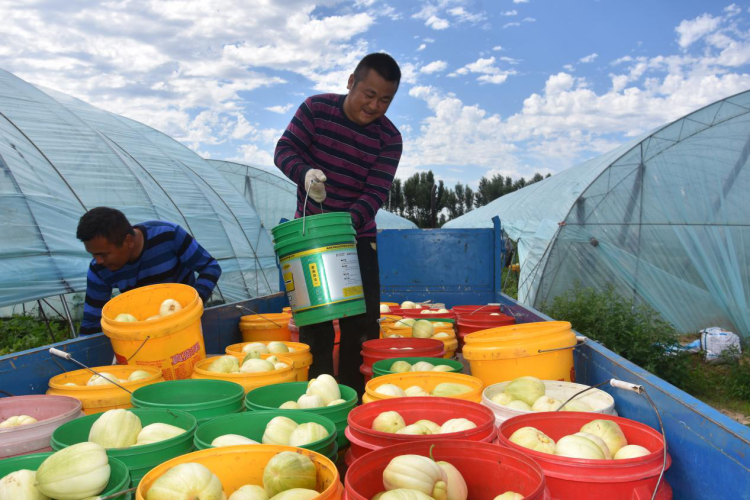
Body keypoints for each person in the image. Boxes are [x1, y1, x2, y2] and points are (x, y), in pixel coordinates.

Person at [274, 52, 402, 395]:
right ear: (351, 83)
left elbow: (376, 191)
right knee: (314, 324)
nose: (375, 105)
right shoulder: (316, 110)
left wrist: (345, 224)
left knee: (360, 325)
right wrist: (305, 175)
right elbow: (284, 150)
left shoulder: (389, 138)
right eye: (369, 94)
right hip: (310, 238)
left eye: (385, 99)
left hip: (358, 238)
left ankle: (354, 396)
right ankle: (319, 396)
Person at [76, 207, 222, 335]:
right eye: (93, 254)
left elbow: (210, 267)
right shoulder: (99, 269)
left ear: (128, 241)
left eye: (103, 254)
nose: (98, 260)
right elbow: (92, 322)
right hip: (142, 335)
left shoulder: (168, 236)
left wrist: (191, 306)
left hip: (186, 327)